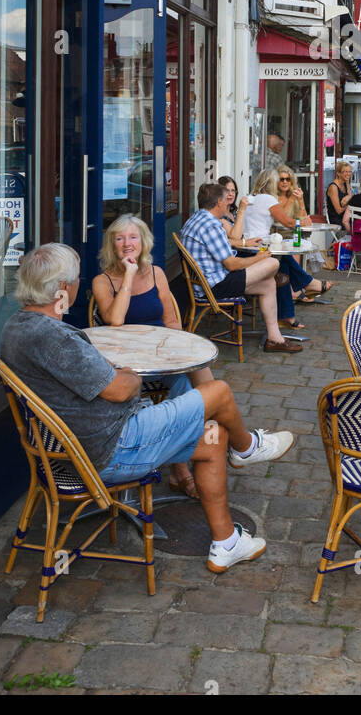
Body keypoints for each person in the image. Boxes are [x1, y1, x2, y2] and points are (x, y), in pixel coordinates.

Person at [0, 244, 294, 574]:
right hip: (113, 448)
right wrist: (125, 373)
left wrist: (104, 369)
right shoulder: (54, 338)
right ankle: (248, 448)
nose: (77, 284)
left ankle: (226, 544)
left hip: (75, 447)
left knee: (214, 437)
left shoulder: (17, 328)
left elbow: (79, 377)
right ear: (62, 289)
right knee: (219, 392)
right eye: (75, 279)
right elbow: (122, 390)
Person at [91, 214, 211, 499]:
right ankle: (183, 469)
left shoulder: (157, 273)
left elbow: (172, 322)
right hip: (127, 365)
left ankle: (202, 450)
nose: (127, 244)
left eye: (133, 237)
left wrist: (174, 353)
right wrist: (130, 276)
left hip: (161, 356)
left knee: (191, 384)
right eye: (119, 238)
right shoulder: (103, 280)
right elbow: (115, 320)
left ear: (143, 241)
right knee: (190, 390)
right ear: (112, 245)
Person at [181, 183, 302, 354]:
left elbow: (226, 249)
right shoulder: (211, 225)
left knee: (268, 285)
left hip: (209, 280)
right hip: (215, 285)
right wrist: (259, 257)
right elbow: (231, 264)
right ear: (218, 203)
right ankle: (275, 276)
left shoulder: (197, 219)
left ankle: (275, 339)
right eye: (225, 200)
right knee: (273, 263)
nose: (227, 203)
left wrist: (248, 247)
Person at [245, 168, 332, 304]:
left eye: (288, 179)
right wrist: (292, 200)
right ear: (274, 182)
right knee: (291, 252)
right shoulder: (272, 198)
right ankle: (299, 288)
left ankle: (299, 290)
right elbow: (282, 219)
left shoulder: (264, 198)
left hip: (289, 235)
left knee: (294, 248)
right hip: (276, 235)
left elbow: (305, 220)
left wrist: (301, 201)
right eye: (281, 179)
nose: (285, 182)